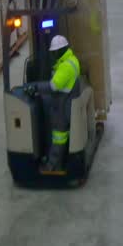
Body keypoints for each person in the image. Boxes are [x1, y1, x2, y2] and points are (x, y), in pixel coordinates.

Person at [42, 34, 80, 172]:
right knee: (58, 136)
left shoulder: (65, 67)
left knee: (58, 137)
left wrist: (36, 87)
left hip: (62, 107)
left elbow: (53, 86)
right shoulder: (71, 60)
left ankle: (52, 166)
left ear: (61, 50)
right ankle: (55, 161)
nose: (53, 54)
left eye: (55, 52)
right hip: (65, 103)